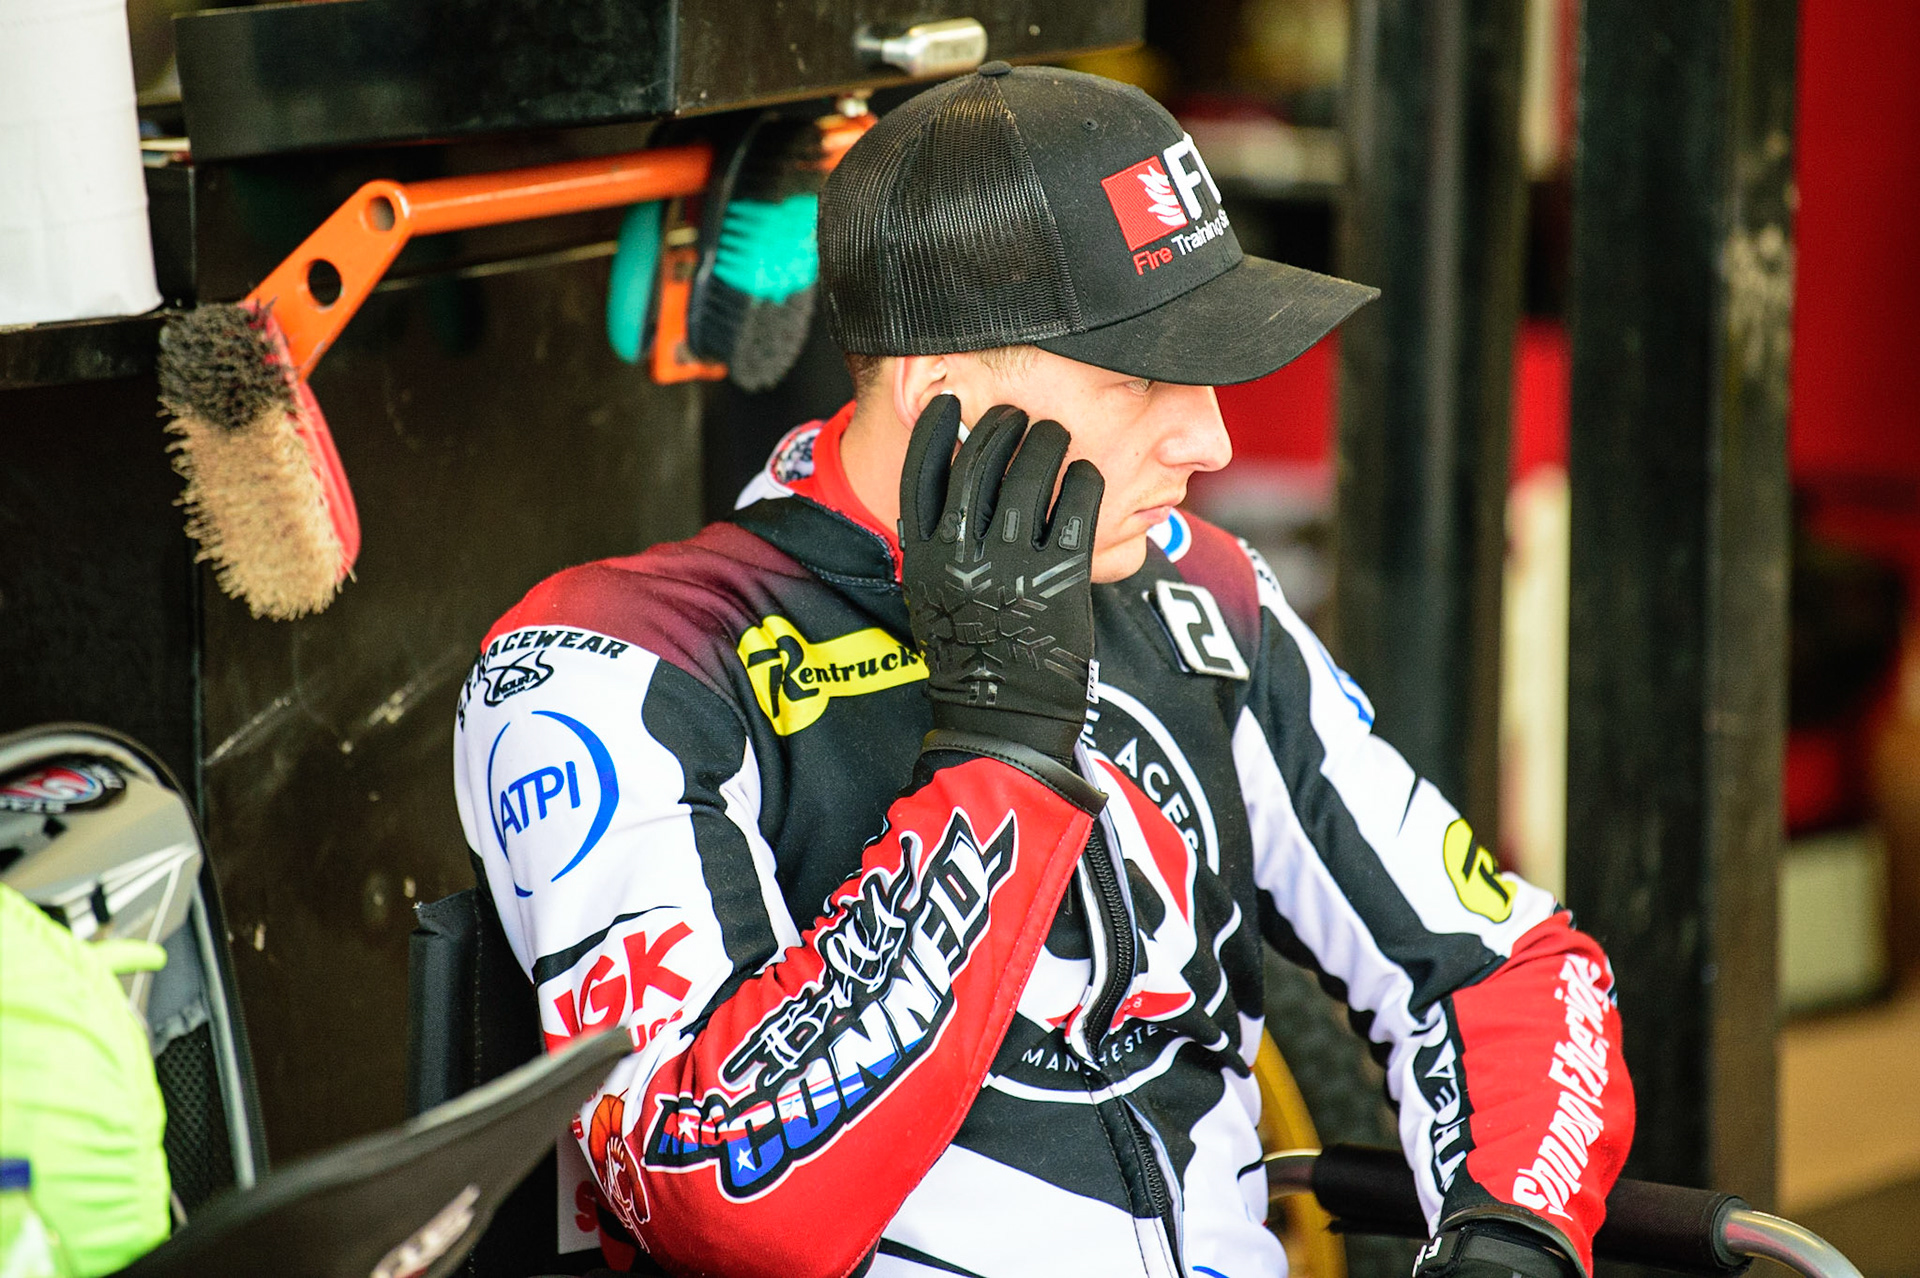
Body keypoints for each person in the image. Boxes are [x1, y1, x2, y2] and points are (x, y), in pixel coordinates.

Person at [452, 63, 1632, 1278]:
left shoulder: (1192, 591)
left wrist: (1512, 1235)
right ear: (944, 399)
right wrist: (1001, 749)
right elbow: (716, 1199)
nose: (1211, 437)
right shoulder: (616, 659)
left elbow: (1509, 968)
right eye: (1139, 377)